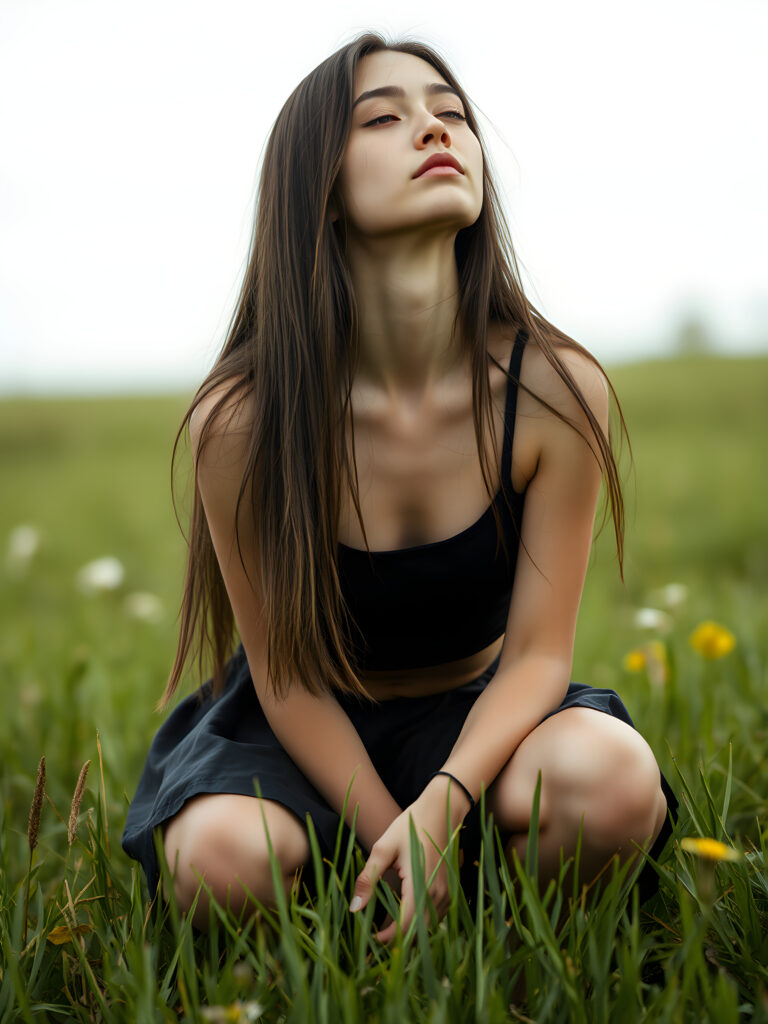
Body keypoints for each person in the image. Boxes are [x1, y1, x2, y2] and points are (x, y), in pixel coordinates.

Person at [121, 33, 679, 941]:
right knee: (219, 856)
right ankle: (343, 937)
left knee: (610, 780)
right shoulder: (243, 421)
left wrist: (445, 804)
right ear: (320, 193)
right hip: (305, 730)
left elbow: (538, 657)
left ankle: (517, 945)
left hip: (483, 717)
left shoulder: (555, 390)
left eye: (452, 114)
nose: (435, 129)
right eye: (385, 117)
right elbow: (289, 676)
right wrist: (394, 835)